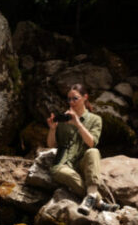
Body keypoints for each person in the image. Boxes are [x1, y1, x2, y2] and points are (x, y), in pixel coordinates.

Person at [46, 83, 118, 215]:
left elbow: (91, 143)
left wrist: (78, 124)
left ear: (85, 97)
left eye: (75, 98)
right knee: (63, 173)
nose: (71, 102)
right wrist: (52, 129)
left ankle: (91, 199)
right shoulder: (63, 119)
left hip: (82, 162)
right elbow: (51, 145)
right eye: (69, 99)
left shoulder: (96, 120)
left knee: (94, 151)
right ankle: (97, 200)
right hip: (63, 164)